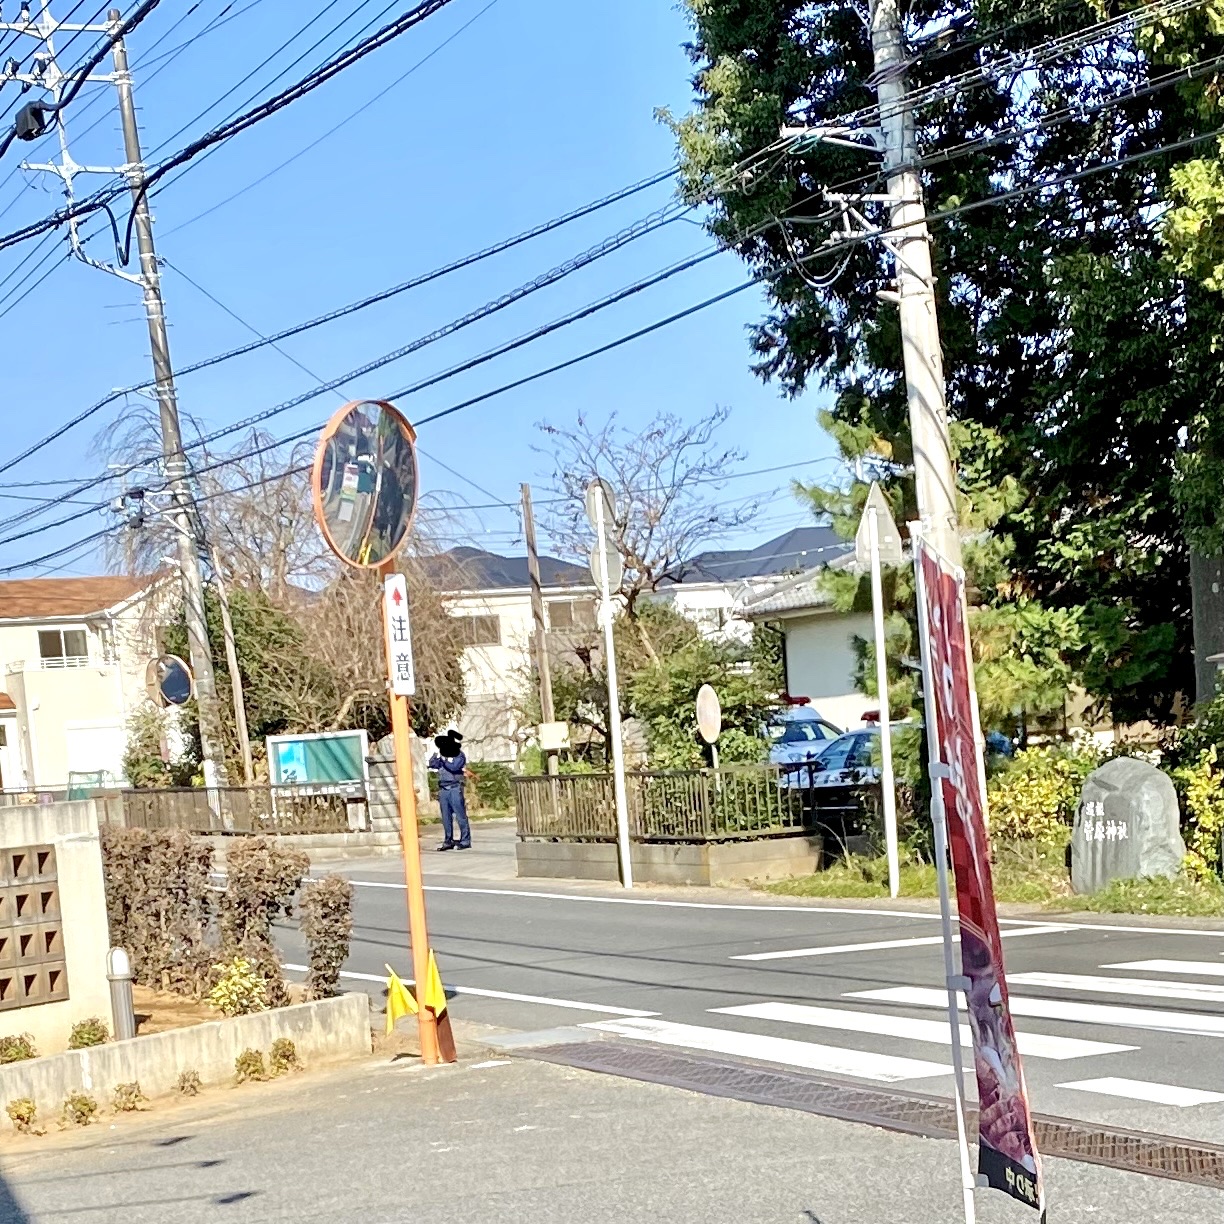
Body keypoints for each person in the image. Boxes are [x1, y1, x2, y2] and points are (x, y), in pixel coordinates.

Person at [428, 729, 470, 851]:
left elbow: (454, 767)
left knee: (460, 816)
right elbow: (432, 764)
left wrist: (444, 760)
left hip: (454, 788)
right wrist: (436, 756)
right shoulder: (442, 756)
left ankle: (465, 840)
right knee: (446, 817)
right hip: (443, 789)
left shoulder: (459, 755)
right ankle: (448, 840)